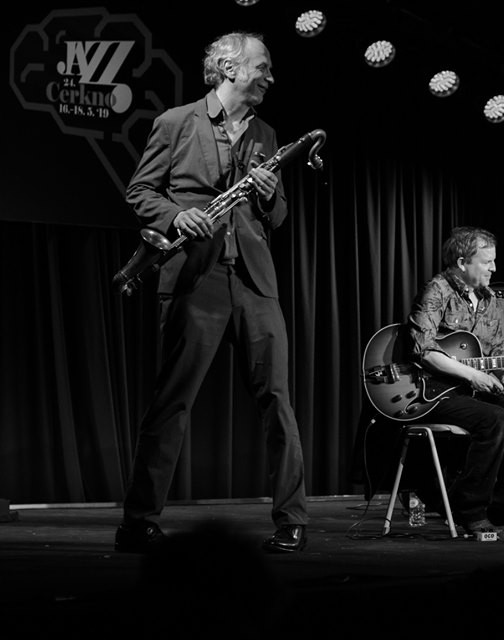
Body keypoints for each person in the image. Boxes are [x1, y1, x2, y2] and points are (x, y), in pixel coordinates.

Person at [115, 32, 308, 554]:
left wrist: (270, 196)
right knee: (172, 402)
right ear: (228, 67)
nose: (269, 77)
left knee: (278, 402)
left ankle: (292, 520)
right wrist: (178, 215)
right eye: (261, 67)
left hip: (255, 281)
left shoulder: (266, 132)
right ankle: (138, 522)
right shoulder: (176, 122)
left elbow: (278, 217)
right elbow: (140, 191)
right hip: (195, 278)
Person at [405, 226, 504, 534]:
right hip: (434, 392)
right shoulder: (437, 290)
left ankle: (501, 506)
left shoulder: (488, 298)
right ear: (462, 262)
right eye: (487, 262)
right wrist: (473, 375)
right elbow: (424, 350)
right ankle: (469, 508)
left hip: (471, 391)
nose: (494, 268)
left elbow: (495, 351)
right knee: (494, 418)